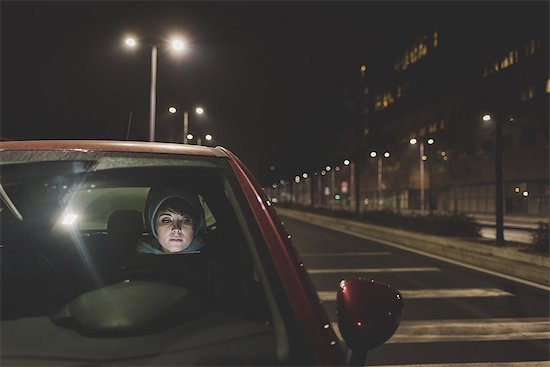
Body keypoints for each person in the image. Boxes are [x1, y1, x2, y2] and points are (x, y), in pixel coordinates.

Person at [136, 187, 206, 254]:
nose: (176, 229)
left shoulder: (212, 259)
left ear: (195, 226)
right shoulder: (135, 263)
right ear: (154, 227)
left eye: (185, 220)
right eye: (166, 221)